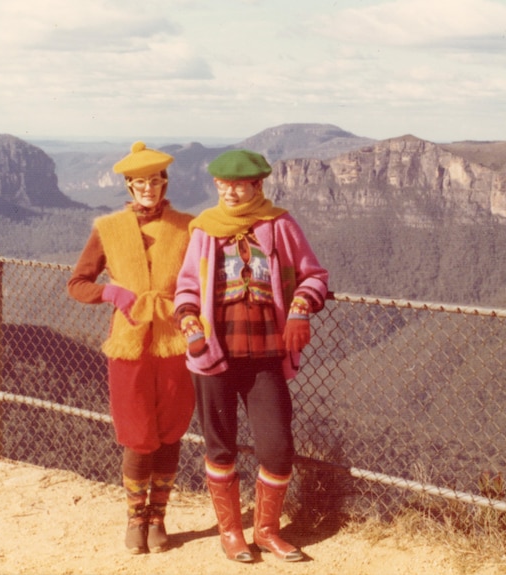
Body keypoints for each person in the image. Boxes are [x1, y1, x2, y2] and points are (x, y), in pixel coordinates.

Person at [173, 149, 329, 563]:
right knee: (219, 445)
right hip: (213, 353)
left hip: (264, 355)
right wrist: (191, 329)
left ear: (258, 185)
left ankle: (266, 530)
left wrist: (299, 310)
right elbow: (186, 288)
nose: (230, 191)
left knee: (277, 448)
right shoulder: (205, 229)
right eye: (223, 184)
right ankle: (231, 533)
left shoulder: (279, 225)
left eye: (239, 184)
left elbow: (314, 274)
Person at [67, 141, 195, 555]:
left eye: (154, 181)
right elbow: (78, 283)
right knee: (139, 437)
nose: (148, 189)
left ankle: (159, 518)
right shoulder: (108, 229)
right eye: (140, 183)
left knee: (171, 432)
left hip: (176, 343)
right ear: (128, 185)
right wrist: (112, 295)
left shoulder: (187, 227)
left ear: (164, 183)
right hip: (129, 344)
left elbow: (201, 280)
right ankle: (135, 519)